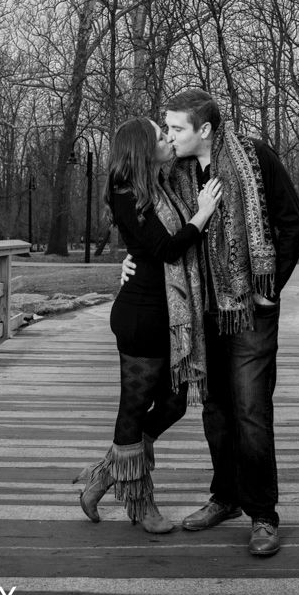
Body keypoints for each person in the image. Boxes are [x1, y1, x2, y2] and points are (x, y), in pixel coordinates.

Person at [125, 89, 299, 557]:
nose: (168, 136)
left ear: (204, 130)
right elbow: (149, 227)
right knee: (216, 412)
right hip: (202, 311)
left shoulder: (254, 156)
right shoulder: (173, 172)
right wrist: (129, 261)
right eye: (167, 128)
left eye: (177, 128)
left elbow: (293, 223)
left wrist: (272, 288)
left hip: (250, 309)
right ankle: (225, 498)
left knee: (250, 409)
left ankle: (263, 515)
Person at [73, 118, 223, 533]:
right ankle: (141, 504)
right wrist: (204, 213)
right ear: (142, 149)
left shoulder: (160, 186)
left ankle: (106, 474)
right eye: (160, 136)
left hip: (168, 315)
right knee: (133, 409)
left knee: (174, 403)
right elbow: (164, 248)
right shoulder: (127, 195)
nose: (167, 139)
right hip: (141, 316)